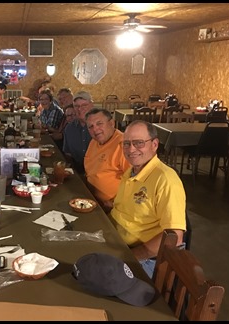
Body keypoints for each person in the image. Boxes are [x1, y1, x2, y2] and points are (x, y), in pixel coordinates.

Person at [110, 120, 186, 278]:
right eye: (126, 143)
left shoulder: (165, 179)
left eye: (139, 143)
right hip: (118, 245)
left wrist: (130, 256)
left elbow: (175, 237)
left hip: (144, 259)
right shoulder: (132, 171)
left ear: (155, 144)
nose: (131, 149)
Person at [84, 108, 130, 213]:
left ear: (111, 123)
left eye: (99, 124)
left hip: (111, 208)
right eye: (91, 127)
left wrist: (114, 202)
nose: (95, 129)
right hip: (90, 199)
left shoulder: (124, 145)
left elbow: (135, 182)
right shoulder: (94, 142)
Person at [63, 91, 93, 174]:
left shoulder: (99, 127)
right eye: (76, 106)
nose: (80, 109)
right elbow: (68, 154)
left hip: (98, 173)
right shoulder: (69, 129)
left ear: (91, 105)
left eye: (84, 105)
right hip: (77, 172)